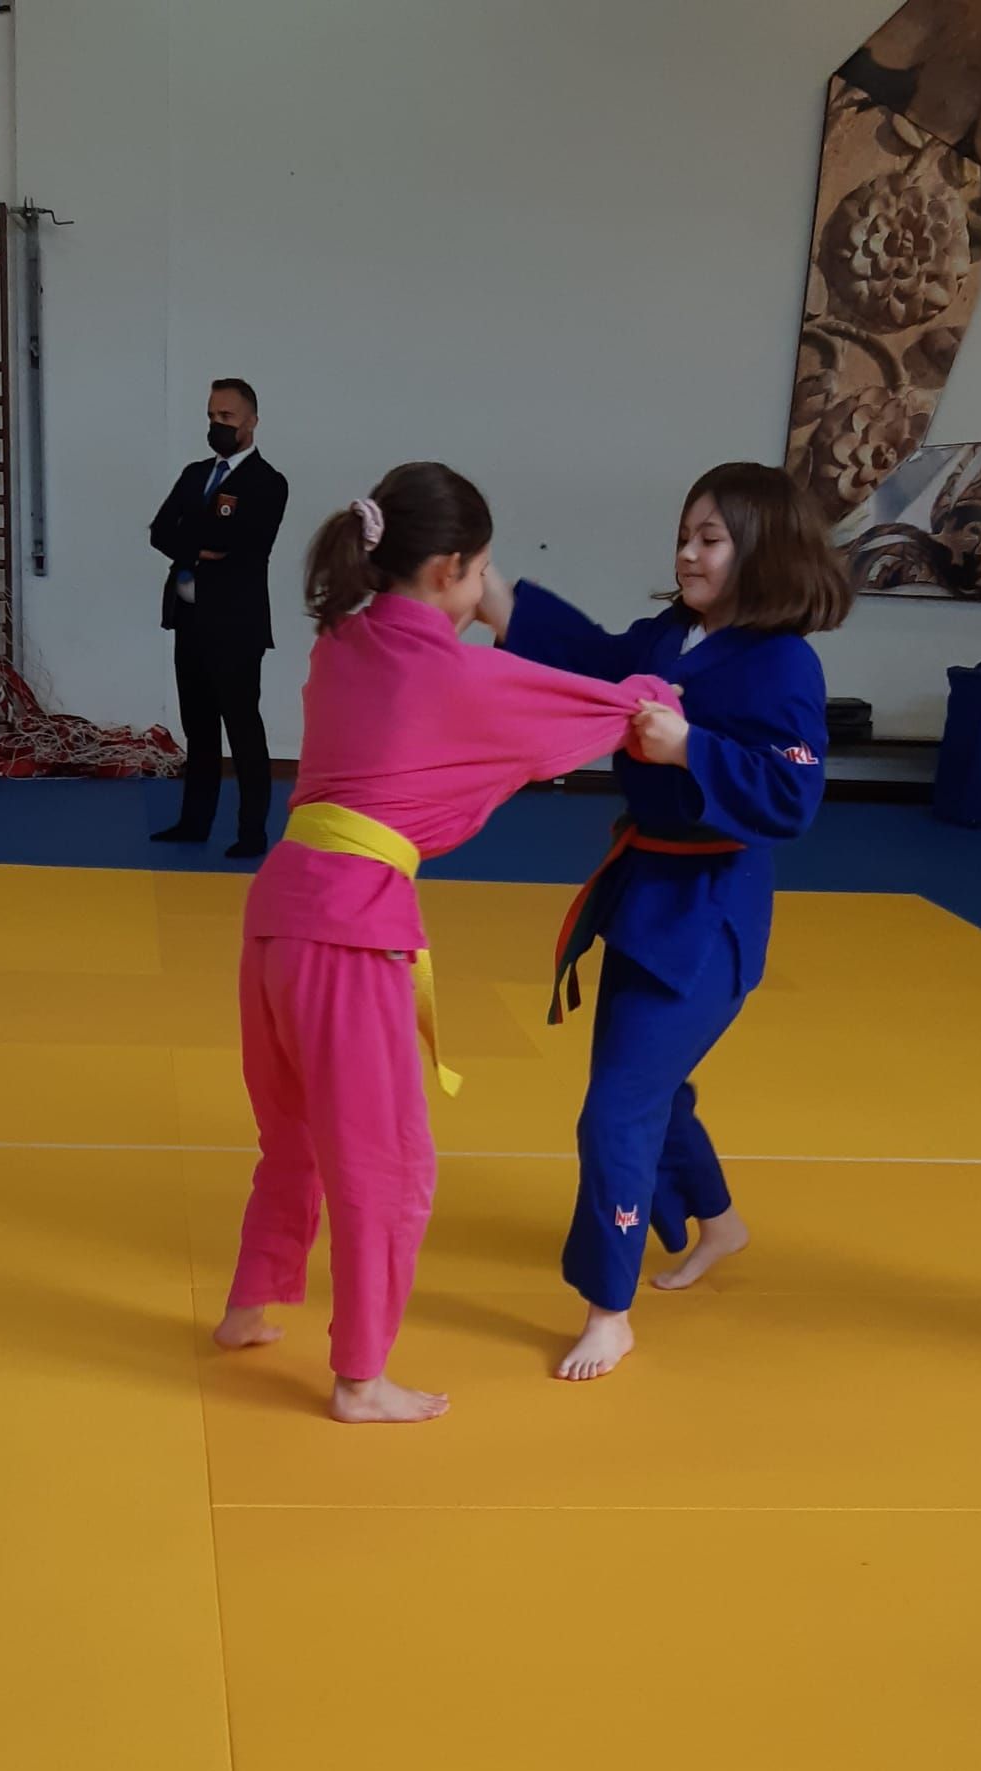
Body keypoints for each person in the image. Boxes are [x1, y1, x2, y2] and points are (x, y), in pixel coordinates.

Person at [211, 461, 680, 1424]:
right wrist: (658, 694)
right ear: (448, 570)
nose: (483, 591)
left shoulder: (341, 643)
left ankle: (249, 1306)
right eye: (481, 573)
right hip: (352, 931)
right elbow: (598, 706)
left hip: (278, 913)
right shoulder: (455, 674)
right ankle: (360, 1379)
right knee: (385, 1164)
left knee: (292, 1133)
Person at [479, 463, 852, 1382]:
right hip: (646, 892)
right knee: (652, 1087)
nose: (688, 553)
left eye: (710, 539)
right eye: (685, 534)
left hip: (711, 912)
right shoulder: (668, 635)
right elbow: (595, 661)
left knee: (618, 1109)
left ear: (762, 550)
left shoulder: (783, 662)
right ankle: (718, 1221)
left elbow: (794, 795)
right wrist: (492, 596)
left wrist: (692, 748)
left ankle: (609, 1309)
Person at [150, 379, 288, 858]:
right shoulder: (194, 474)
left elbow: (241, 544)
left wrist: (192, 538)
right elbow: (160, 531)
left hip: (235, 625)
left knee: (243, 728)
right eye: (212, 417)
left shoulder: (267, 482)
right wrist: (197, 547)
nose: (217, 425)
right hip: (188, 617)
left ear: (251, 421)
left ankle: (252, 831)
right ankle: (194, 822)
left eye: (226, 417)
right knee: (199, 727)